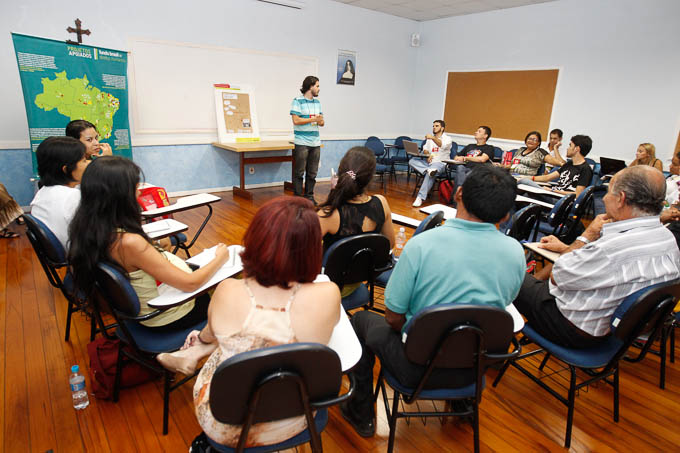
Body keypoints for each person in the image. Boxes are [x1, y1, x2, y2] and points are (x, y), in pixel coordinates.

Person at [341, 165, 526, 437]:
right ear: (507, 213)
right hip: (474, 370)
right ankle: (463, 403)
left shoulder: (422, 245)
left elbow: (393, 317)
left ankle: (361, 413)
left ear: (459, 193)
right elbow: (501, 306)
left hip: (415, 368)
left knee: (359, 320)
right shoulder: (515, 251)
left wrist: (420, 330)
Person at [159, 196, 341, 448]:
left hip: (225, 423)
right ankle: (197, 349)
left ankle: (193, 352)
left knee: (224, 340)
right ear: (312, 248)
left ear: (255, 240)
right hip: (297, 415)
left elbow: (214, 332)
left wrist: (203, 339)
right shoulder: (328, 293)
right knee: (245, 340)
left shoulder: (228, 290)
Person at [514, 165, 680, 349]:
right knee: (531, 281)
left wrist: (587, 235)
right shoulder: (667, 238)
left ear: (621, 199)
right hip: (618, 331)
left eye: (608, 193)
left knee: (507, 275)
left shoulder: (614, 247)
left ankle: (494, 346)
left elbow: (558, 276)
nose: (605, 199)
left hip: (572, 329)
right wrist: (568, 248)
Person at [68, 156, 230, 329]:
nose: (139, 193)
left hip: (143, 309)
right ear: (119, 194)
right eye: (135, 187)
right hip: (169, 315)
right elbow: (191, 284)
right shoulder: (129, 243)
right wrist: (220, 257)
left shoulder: (88, 229)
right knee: (233, 287)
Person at [30, 137, 89, 248]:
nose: (88, 164)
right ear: (66, 169)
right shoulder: (73, 197)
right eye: (84, 160)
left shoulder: (43, 192)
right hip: (82, 256)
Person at [521, 134, 593, 197]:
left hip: (560, 199)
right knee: (525, 193)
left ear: (577, 149)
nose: (567, 148)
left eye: (570, 145)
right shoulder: (569, 164)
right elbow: (547, 177)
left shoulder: (585, 169)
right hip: (552, 193)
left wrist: (552, 191)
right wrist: (531, 178)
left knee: (525, 182)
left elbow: (578, 194)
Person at [290, 76, 324, 202]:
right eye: (317, 86)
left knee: (312, 173)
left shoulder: (318, 103)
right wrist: (313, 119)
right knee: (299, 172)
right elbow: (296, 120)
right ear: (310, 86)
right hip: (302, 142)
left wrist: (320, 121)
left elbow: (322, 122)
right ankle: (298, 198)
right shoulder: (297, 101)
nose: (319, 89)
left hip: (315, 142)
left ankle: (309, 197)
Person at [410, 120, 454, 207]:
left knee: (430, 175)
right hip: (429, 163)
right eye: (433, 126)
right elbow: (425, 149)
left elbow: (442, 145)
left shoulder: (448, 139)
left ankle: (420, 198)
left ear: (442, 128)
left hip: (441, 164)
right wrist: (428, 154)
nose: (434, 127)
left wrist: (433, 138)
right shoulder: (430, 139)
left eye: (436, 126)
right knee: (412, 161)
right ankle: (428, 170)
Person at [450, 126, 495, 191]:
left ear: (485, 136)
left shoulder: (489, 148)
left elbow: (482, 159)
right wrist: (458, 158)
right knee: (460, 168)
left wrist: (466, 158)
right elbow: (456, 157)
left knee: (464, 175)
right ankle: (461, 191)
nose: (476, 132)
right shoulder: (470, 146)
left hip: (478, 170)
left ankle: (459, 192)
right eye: (476, 131)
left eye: (479, 131)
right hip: (465, 168)